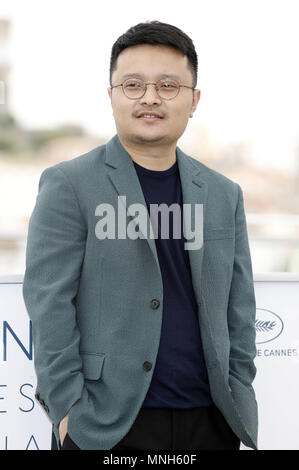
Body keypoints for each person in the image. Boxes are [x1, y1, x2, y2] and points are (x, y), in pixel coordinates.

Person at [22, 20, 258, 451]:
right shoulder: (68, 184)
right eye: (133, 84)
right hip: (106, 424)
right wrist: (68, 412)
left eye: (168, 85)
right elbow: (49, 302)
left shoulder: (225, 194)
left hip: (210, 422)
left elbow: (239, 309)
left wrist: (238, 387)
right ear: (111, 95)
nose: (150, 97)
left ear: (194, 100)